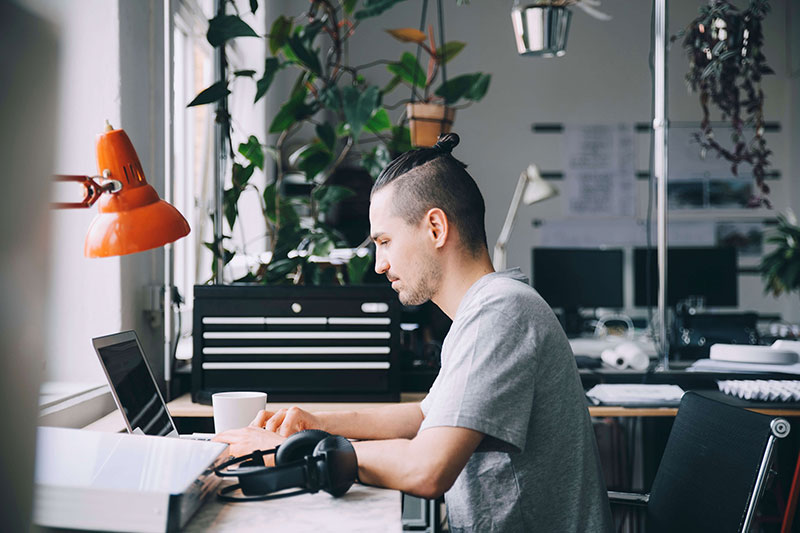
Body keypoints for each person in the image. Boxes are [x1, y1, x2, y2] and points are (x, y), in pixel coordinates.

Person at [214, 133, 614, 532]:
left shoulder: (501, 312)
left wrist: (295, 449)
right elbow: (427, 416)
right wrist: (315, 423)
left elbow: (428, 469)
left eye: (385, 242)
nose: (379, 264)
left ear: (436, 228)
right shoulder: (490, 307)